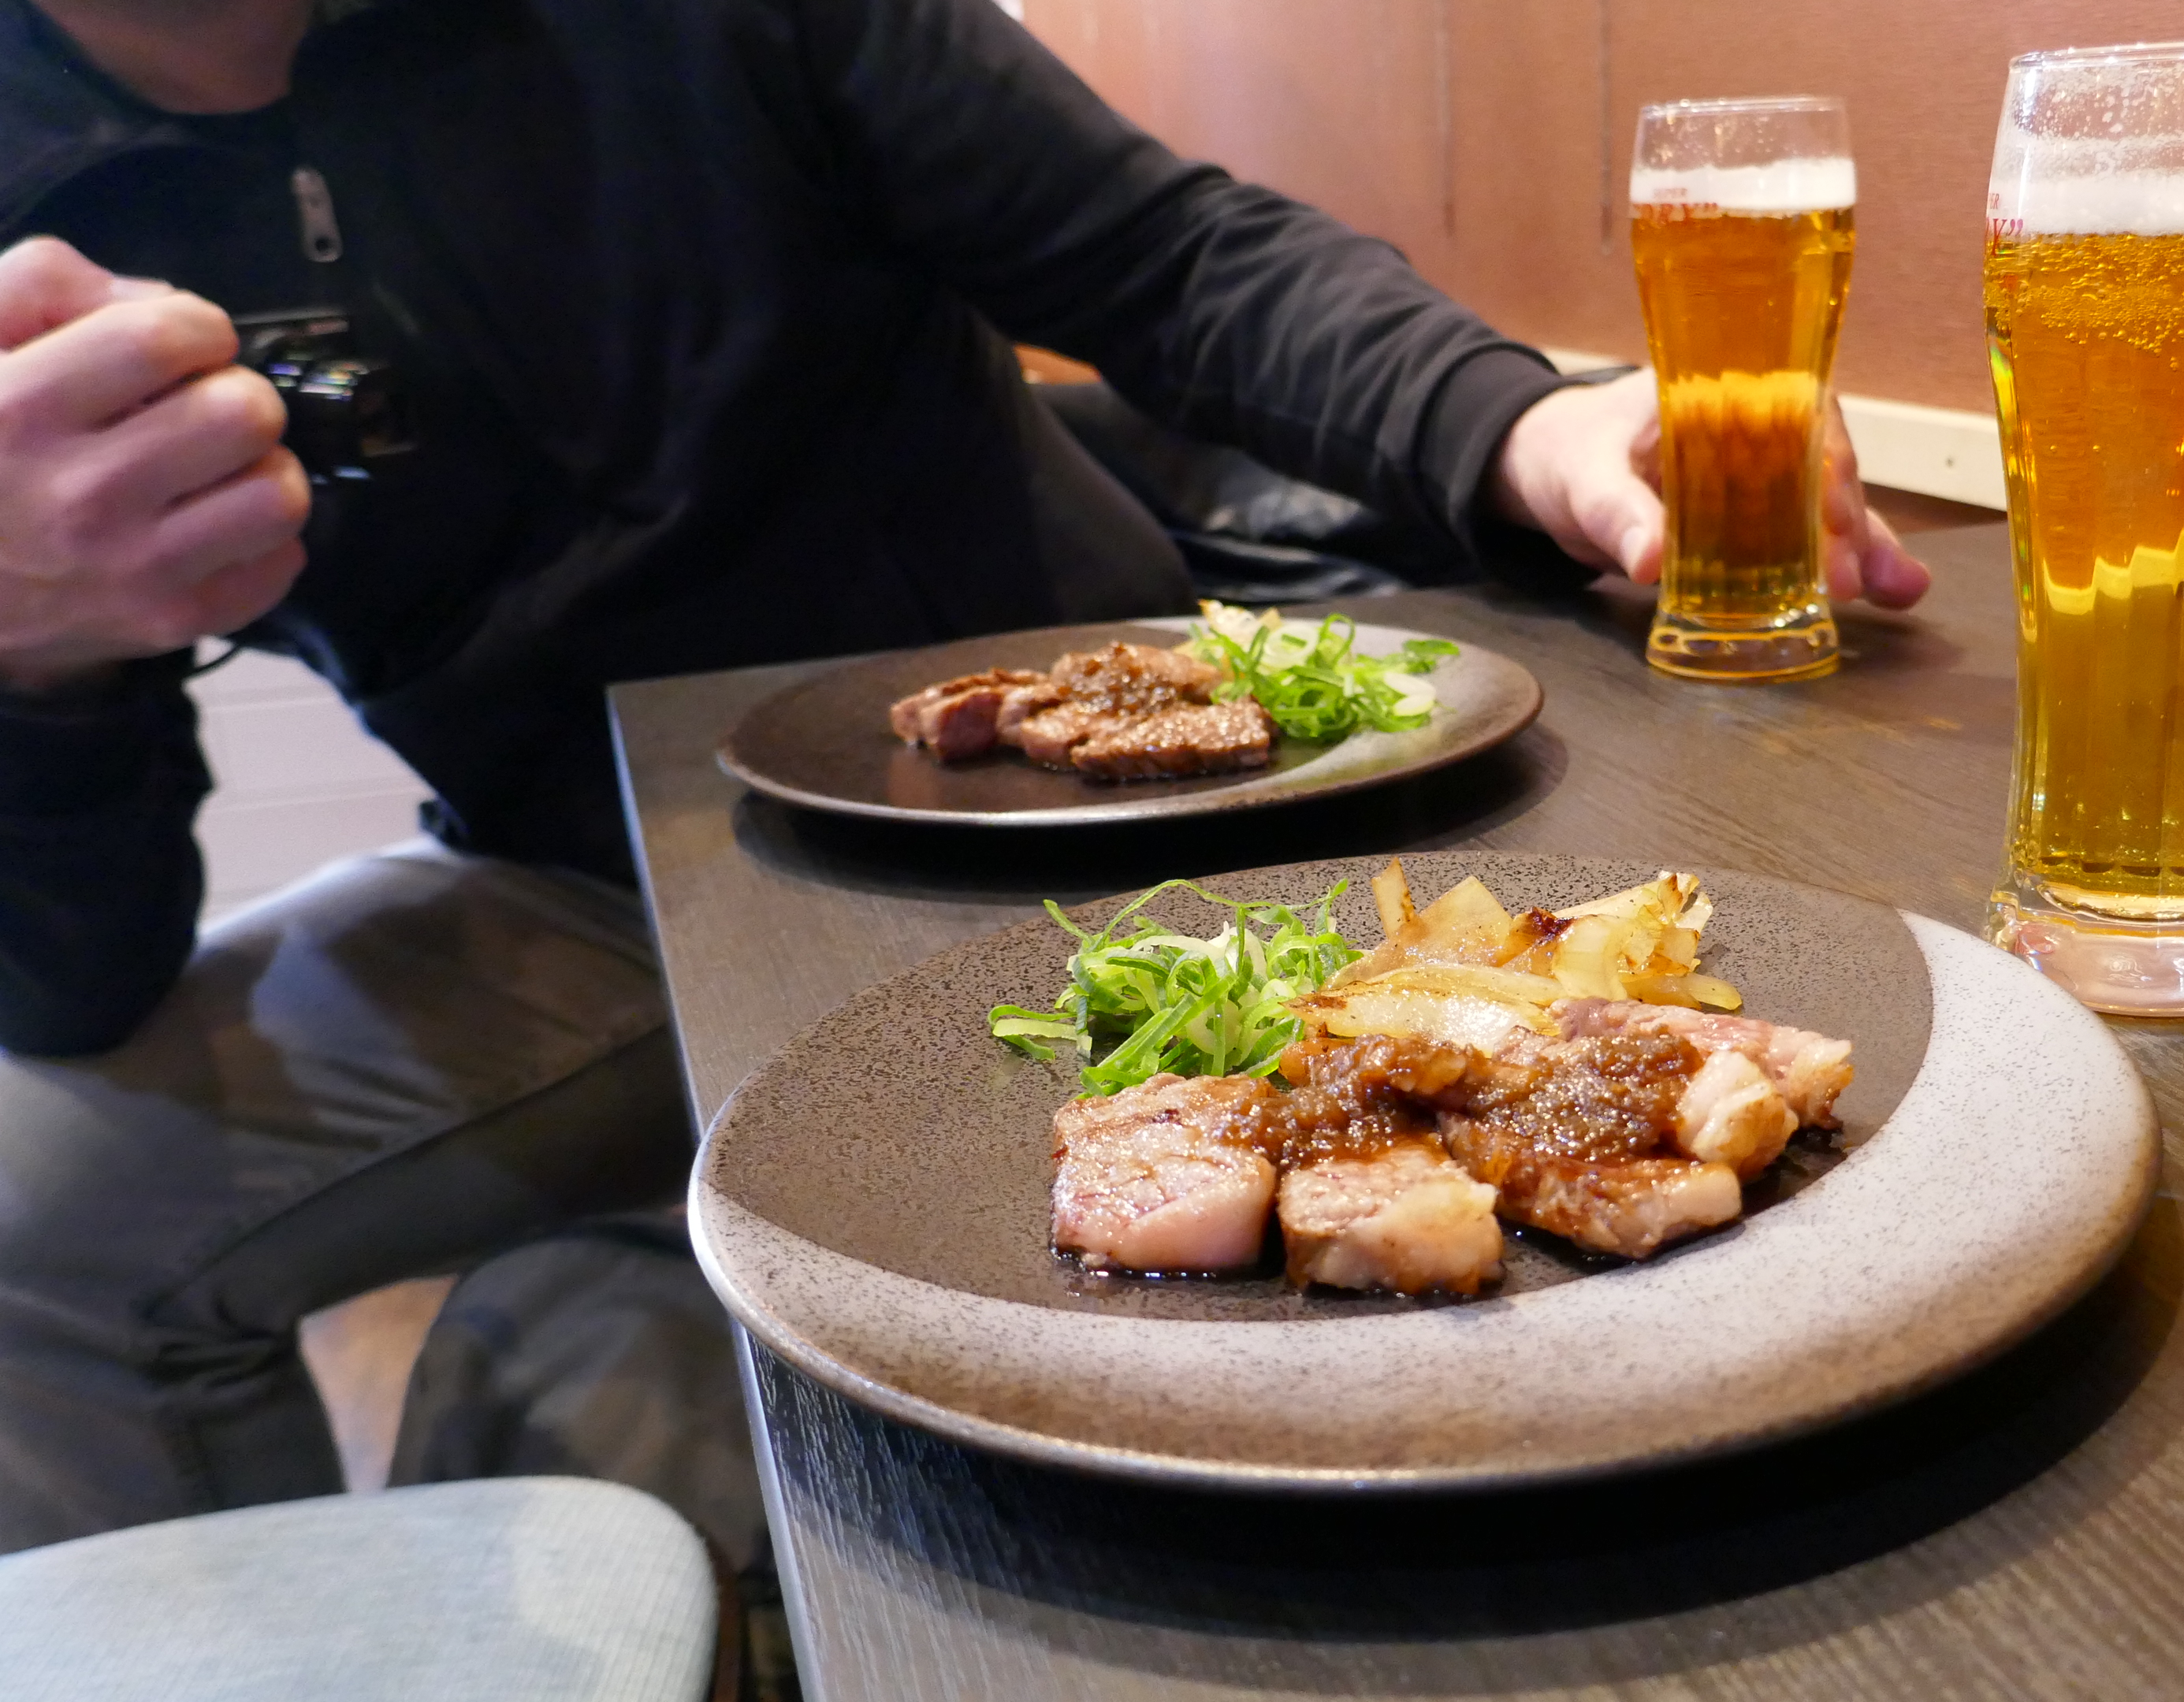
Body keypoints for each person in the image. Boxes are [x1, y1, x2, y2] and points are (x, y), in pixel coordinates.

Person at [0, 0, 1931, 1559]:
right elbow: (63, 976)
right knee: (35, 1228)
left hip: (1091, 843)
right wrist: (32, 660)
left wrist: (1522, 424)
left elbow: (1176, 254)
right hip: (563, 879)